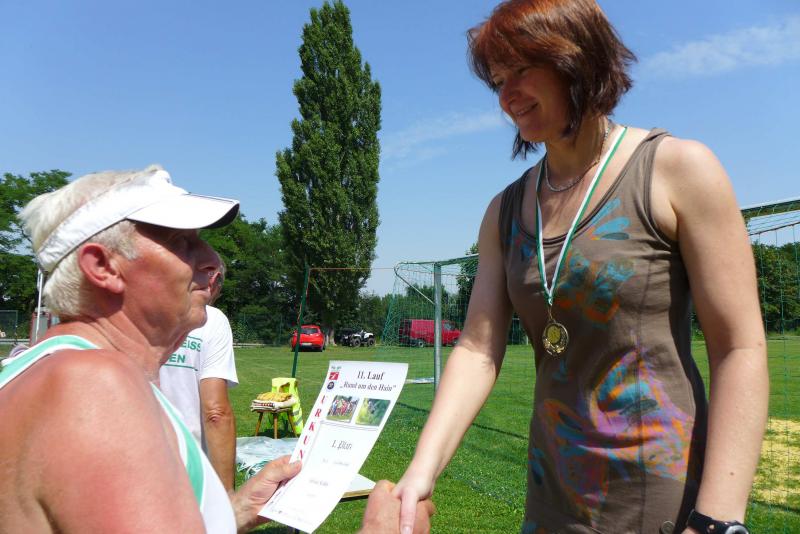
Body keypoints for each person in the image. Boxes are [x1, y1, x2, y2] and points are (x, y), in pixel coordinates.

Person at [393, 2, 768, 533]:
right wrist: (421, 471)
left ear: (577, 58)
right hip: (552, 495)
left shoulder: (678, 170)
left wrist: (717, 519)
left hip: (662, 498)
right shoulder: (504, 211)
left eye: (522, 70)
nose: (507, 95)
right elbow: (477, 349)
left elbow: (739, 347)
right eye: (498, 81)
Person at [0, 165, 434, 533]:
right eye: (181, 242)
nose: (213, 261)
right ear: (103, 266)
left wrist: (237, 511)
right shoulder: (94, 386)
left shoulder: (48, 370)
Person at [159, 255, 239, 491]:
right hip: (190, 467)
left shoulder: (139, 313)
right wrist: (227, 495)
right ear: (214, 280)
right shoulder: (212, 320)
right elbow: (216, 412)